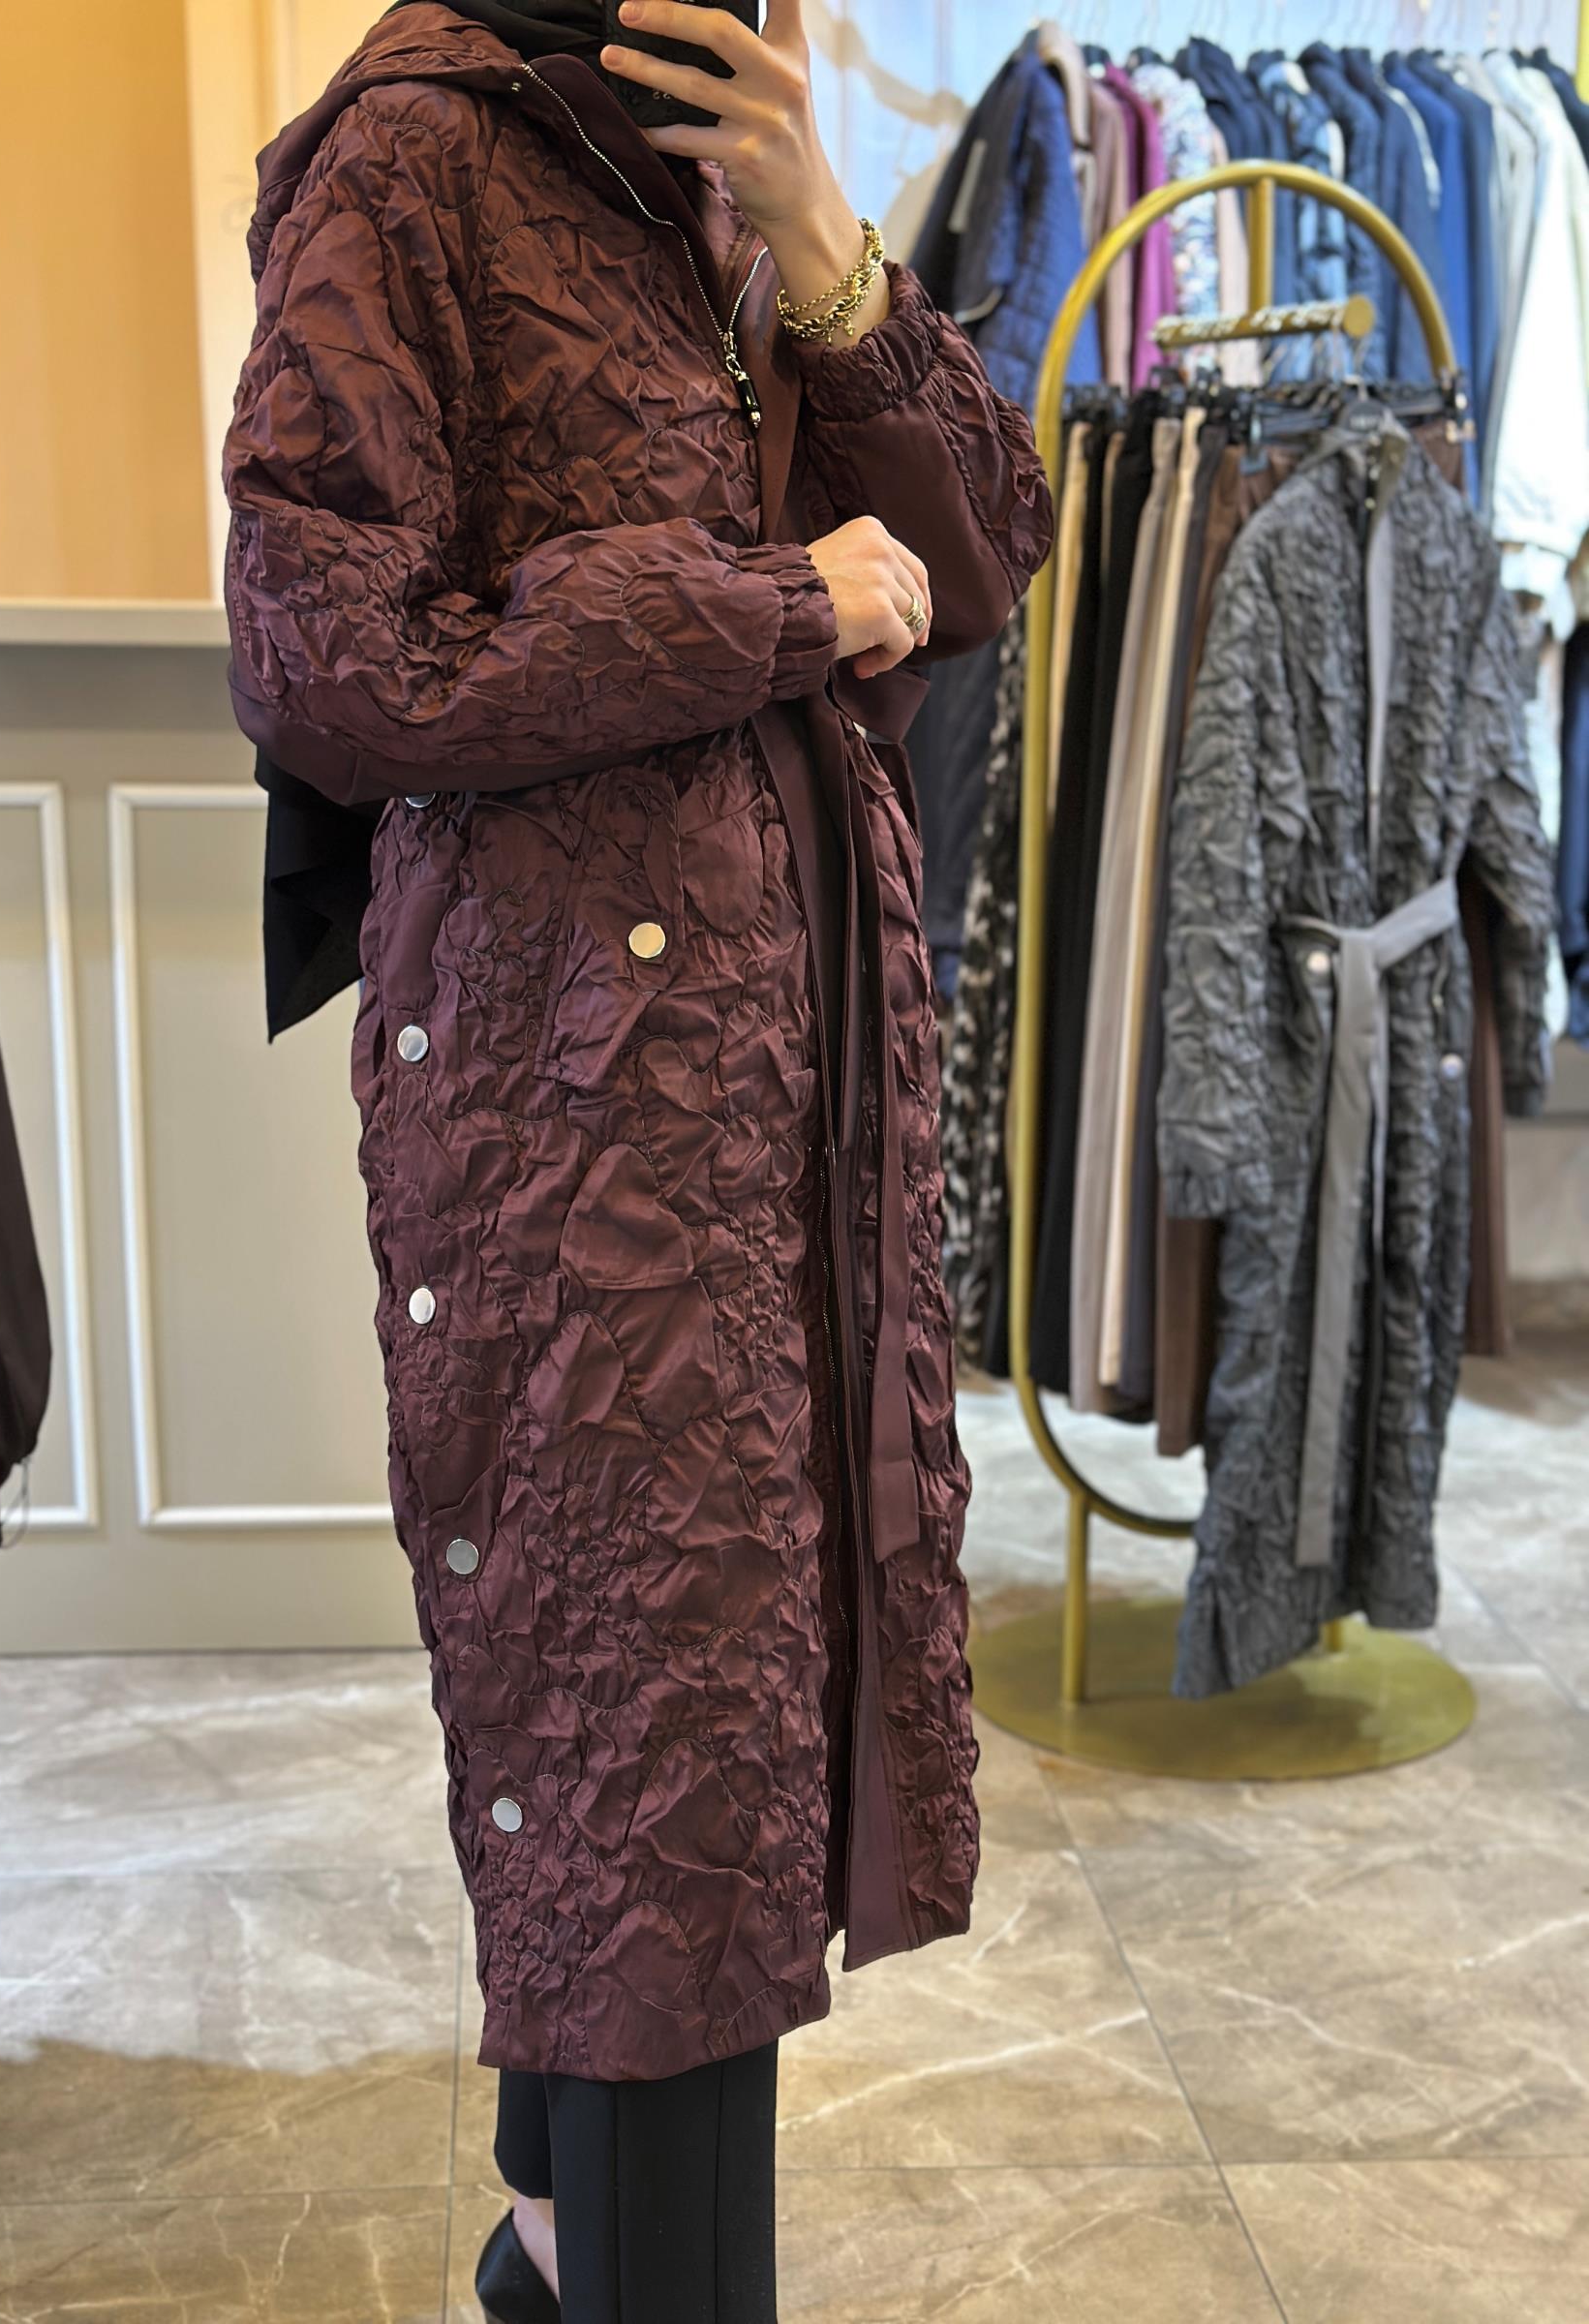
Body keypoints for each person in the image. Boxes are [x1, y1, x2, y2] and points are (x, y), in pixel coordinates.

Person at [222, 2, 1053, 2316]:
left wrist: (826, 247)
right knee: (656, 1751)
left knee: (703, 1716)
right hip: (569, 1100)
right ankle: (610, 2258)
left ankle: (557, 2237)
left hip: (779, 1093)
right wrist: (776, 603)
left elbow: (984, 552)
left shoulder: (723, 167)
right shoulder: (411, 162)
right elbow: (324, 652)